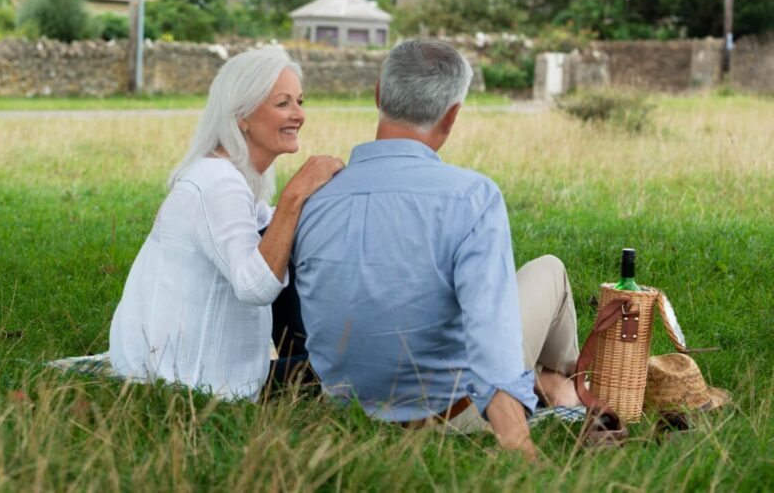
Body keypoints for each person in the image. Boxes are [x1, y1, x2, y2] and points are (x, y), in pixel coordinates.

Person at [292, 39, 584, 460]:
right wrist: (519, 446)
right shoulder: (473, 196)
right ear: (452, 115)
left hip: (346, 410)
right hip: (451, 415)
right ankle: (565, 384)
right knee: (549, 269)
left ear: (379, 94)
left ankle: (553, 381)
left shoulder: (314, 196)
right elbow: (491, 332)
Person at [108, 47, 343, 401]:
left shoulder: (228, 175)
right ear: (241, 116)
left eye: (299, 101)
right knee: (347, 370)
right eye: (283, 103)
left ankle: (313, 355)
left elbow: (271, 232)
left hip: (186, 370)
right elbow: (255, 287)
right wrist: (295, 195)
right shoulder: (219, 182)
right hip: (194, 382)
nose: (299, 114)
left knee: (287, 233)